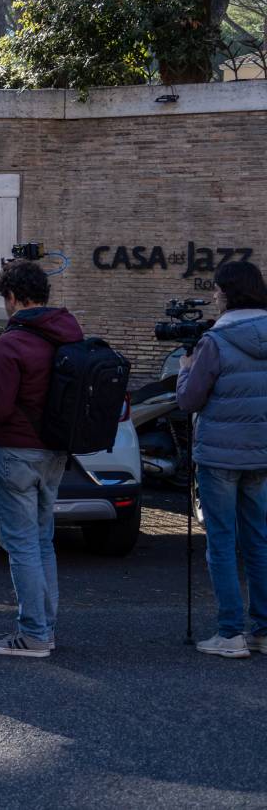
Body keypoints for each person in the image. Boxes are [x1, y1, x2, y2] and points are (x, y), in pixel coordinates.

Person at [0, 260, 83, 659]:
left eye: (4, 298)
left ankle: (33, 634)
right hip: (54, 452)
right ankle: (45, 630)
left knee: (21, 545)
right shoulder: (68, 333)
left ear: (13, 297)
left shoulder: (12, 342)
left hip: (16, 453)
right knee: (41, 542)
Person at [176, 260, 267, 659]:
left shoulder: (215, 341)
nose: (214, 296)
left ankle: (230, 633)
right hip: (261, 453)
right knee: (259, 540)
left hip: (219, 456)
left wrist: (185, 369)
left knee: (222, 542)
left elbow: (188, 400)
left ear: (228, 292)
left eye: (217, 289)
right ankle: (263, 629)